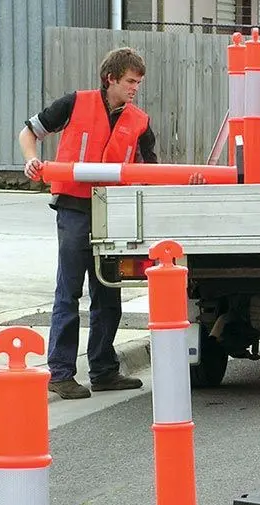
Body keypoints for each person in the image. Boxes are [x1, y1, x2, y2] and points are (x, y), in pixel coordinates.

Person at [18, 46, 203, 399]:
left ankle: (103, 371)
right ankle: (60, 373)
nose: (135, 88)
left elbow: (152, 171)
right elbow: (29, 133)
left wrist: (187, 179)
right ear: (111, 79)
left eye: (138, 83)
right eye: (130, 81)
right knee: (69, 291)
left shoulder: (140, 122)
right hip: (73, 207)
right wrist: (31, 160)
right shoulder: (74, 103)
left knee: (107, 292)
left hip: (114, 211)